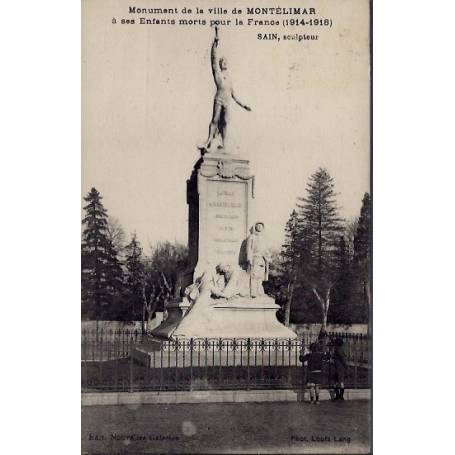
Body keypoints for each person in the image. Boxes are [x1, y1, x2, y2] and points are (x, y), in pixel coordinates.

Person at [199, 26, 251, 152]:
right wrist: (215, 42)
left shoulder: (230, 79)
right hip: (219, 99)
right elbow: (213, 60)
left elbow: (234, 95)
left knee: (226, 123)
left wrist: (244, 105)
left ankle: (223, 144)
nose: (224, 63)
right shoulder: (218, 74)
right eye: (223, 62)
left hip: (227, 102)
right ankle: (208, 141)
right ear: (221, 64)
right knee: (215, 120)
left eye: (225, 62)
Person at [246, 222, 270, 297]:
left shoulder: (264, 238)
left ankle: (259, 290)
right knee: (254, 275)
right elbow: (248, 248)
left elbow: (266, 249)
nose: (259, 227)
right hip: (255, 257)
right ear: (256, 227)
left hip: (262, 259)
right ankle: (253, 292)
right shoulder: (252, 237)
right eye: (258, 226)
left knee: (260, 276)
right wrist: (249, 258)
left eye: (261, 226)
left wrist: (268, 257)